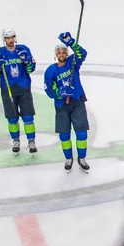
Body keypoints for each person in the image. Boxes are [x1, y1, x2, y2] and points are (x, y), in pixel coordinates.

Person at [43, 32, 89, 173]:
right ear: (56, 54)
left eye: (64, 51)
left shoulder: (72, 62)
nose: (62, 53)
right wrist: (60, 93)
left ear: (67, 53)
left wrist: (71, 42)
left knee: (81, 133)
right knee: (64, 135)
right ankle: (68, 158)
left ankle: (81, 158)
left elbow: (83, 53)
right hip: (61, 106)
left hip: (77, 102)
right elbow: (48, 90)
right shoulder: (50, 71)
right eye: (59, 52)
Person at [0, 28, 37, 154]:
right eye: (8, 38)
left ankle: (31, 141)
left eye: (12, 37)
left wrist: (27, 61)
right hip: (8, 89)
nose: (10, 40)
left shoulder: (23, 49)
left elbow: (31, 69)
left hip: (23, 88)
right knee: (12, 118)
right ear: (4, 39)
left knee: (28, 117)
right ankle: (16, 140)